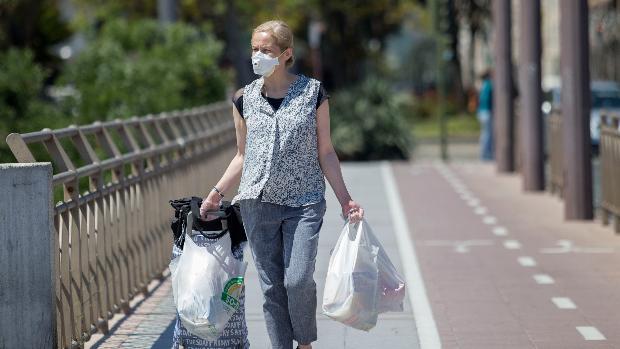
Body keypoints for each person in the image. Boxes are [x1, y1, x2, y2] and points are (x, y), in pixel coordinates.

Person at [199, 20, 364, 349]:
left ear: (286, 54)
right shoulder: (243, 99)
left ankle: (304, 343)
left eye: (267, 50)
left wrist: (346, 200)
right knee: (272, 288)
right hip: (258, 204)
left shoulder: (313, 93)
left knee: (298, 279)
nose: (258, 56)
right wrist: (217, 194)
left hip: (304, 202)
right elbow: (242, 155)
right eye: (254, 49)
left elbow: (326, 151)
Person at [477, 69, 494, 161]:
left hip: (481, 112)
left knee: (484, 133)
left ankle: (484, 153)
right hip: (487, 112)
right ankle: (486, 154)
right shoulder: (489, 85)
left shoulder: (483, 86)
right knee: (488, 134)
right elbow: (488, 100)